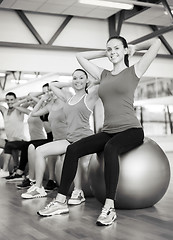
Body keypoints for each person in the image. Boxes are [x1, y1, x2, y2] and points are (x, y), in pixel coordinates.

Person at [37, 36, 161, 226]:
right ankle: (61, 201)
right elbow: (81, 56)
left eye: (116, 49)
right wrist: (105, 52)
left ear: (125, 50)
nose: (112, 52)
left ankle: (109, 207)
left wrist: (133, 47)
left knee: (110, 148)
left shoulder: (134, 71)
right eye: (109, 49)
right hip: (108, 130)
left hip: (131, 130)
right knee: (73, 150)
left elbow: (156, 42)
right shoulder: (103, 74)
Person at [21, 69, 99, 202]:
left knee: (74, 152)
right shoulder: (68, 99)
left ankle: (78, 191)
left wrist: (89, 82)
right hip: (69, 138)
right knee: (40, 151)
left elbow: (104, 80)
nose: (77, 80)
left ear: (87, 80)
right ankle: (38, 187)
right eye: (75, 78)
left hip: (84, 137)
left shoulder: (89, 97)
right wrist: (72, 83)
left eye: (81, 78)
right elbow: (52, 85)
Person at [0, 92, 26, 178]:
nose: (9, 102)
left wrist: (17, 99)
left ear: (15, 100)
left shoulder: (19, 110)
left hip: (20, 140)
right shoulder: (4, 111)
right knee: (9, 144)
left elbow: (28, 99)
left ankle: (5, 170)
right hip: (10, 141)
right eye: (7, 100)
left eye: (12, 100)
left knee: (9, 145)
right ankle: (15, 167)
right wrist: (5, 100)